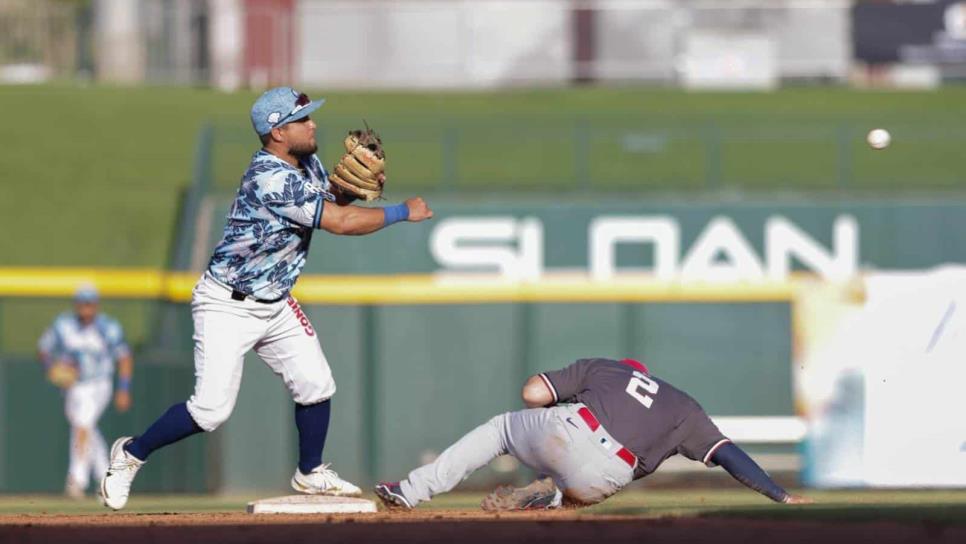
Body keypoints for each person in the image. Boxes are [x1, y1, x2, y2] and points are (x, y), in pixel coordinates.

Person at [100, 87, 433, 510]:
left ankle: (310, 472)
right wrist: (403, 211)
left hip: (274, 301)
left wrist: (349, 189)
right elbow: (340, 223)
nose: (313, 124)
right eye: (302, 119)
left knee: (316, 385)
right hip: (227, 304)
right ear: (276, 132)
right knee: (210, 412)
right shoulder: (270, 177)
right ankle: (130, 454)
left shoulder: (303, 161)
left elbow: (329, 204)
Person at [374, 357, 812, 510]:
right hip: (608, 476)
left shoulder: (607, 368)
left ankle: (412, 492)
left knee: (500, 430)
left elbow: (531, 394)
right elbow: (728, 454)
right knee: (592, 483)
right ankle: (556, 496)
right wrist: (780, 495)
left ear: (628, 370)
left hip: (571, 428)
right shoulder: (687, 409)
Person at [38, 284, 133, 499]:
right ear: (76, 304)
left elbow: (124, 357)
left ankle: (76, 479)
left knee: (82, 425)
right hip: (74, 386)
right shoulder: (63, 325)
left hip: (99, 384)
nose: (85, 308)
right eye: (82, 303)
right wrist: (51, 369)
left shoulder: (108, 327)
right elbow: (43, 349)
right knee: (87, 429)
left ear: (96, 305)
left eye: (89, 303)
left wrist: (124, 388)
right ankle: (107, 477)